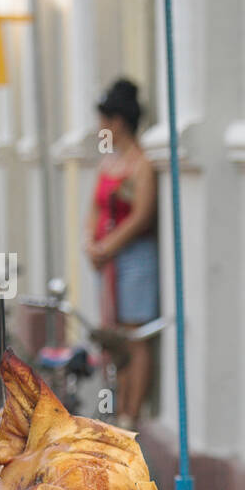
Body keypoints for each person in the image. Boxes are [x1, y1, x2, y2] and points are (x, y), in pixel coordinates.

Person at [87, 77, 158, 431]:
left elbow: (143, 214)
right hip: (108, 261)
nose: (101, 128)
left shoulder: (140, 164)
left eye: (105, 121)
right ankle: (117, 411)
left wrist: (107, 246)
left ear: (118, 122)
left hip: (134, 259)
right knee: (114, 335)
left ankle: (131, 413)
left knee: (135, 335)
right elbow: (95, 209)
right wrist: (91, 243)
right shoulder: (108, 163)